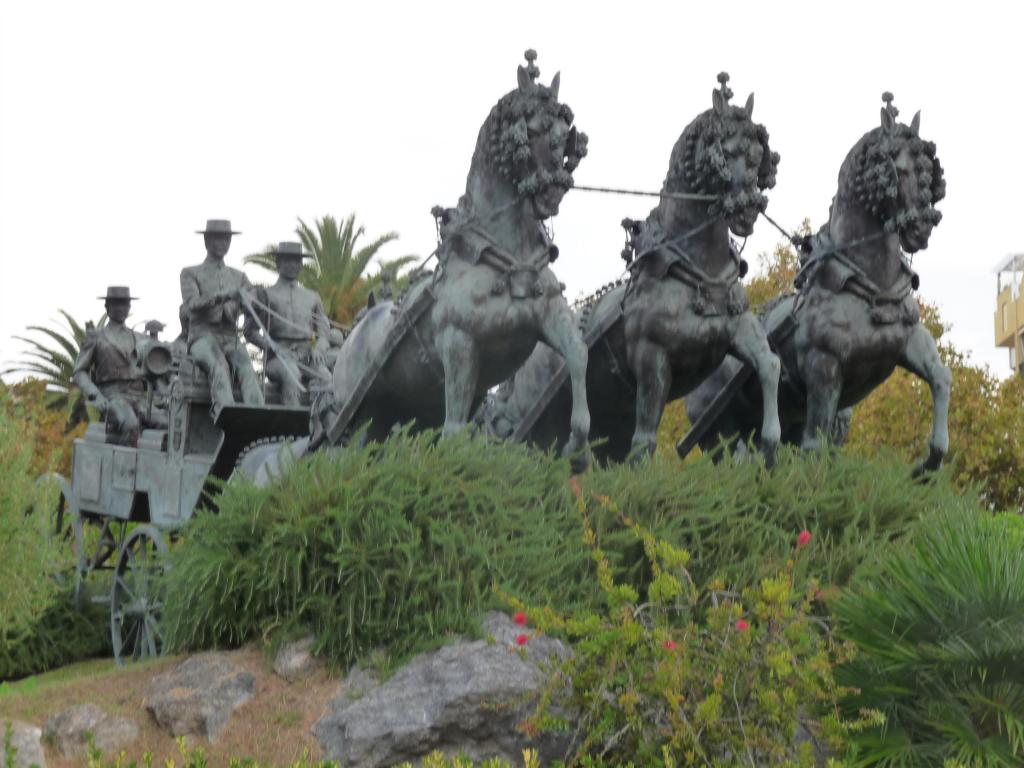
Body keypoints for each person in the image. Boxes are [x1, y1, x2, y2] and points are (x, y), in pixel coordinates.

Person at [179, 219, 264, 413]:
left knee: (247, 370)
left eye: (226, 240)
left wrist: (255, 301)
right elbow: (192, 304)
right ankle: (226, 413)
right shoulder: (190, 273)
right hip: (202, 336)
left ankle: (258, 416)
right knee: (219, 366)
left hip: (231, 337)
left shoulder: (239, 276)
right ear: (207, 242)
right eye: (218, 240)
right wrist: (223, 295)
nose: (223, 245)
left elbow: (252, 304)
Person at [73, 286, 167, 445]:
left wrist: (164, 394)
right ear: (107, 307)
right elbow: (79, 371)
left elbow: (154, 371)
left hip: (140, 397)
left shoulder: (140, 338)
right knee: (130, 425)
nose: (123, 308)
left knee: (167, 424)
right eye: (118, 304)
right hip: (113, 395)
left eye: (126, 304)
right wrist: (95, 395)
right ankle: (126, 469)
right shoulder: (96, 336)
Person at [244, 241, 331, 405]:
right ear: (278, 264)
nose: (293, 265)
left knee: (326, 378)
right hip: (278, 359)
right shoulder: (265, 295)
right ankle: (292, 428)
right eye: (288, 261)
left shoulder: (312, 296)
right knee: (291, 375)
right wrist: (273, 347)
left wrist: (319, 347)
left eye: (297, 261)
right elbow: (250, 332)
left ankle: (322, 427)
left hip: (308, 357)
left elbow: (324, 330)